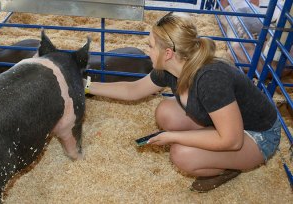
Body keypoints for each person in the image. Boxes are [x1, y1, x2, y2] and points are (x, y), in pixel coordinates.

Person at [84, 12, 281, 192]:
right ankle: (209, 147)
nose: (147, 51)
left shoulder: (210, 79)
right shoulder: (170, 69)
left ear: (168, 53)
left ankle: (228, 167)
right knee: (165, 112)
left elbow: (233, 140)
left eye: (151, 46)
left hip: (257, 135)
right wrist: (84, 86)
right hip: (225, 124)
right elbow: (133, 89)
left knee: (182, 154)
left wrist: (173, 137)